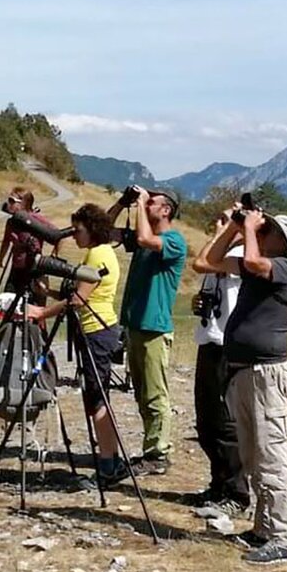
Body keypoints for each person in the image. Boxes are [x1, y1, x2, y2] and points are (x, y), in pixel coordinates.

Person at [205, 205, 287, 566]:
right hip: (245, 371)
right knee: (253, 455)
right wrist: (235, 228)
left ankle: (284, 537)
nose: (263, 234)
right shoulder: (259, 269)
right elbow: (211, 259)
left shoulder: (286, 269)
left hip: (266, 375)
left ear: (286, 242)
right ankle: (264, 528)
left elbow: (250, 262)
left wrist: (248, 226)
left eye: (270, 231)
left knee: (272, 456)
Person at [25, 204, 128, 487]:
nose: (74, 236)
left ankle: (108, 465)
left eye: (78, 230)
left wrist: (41, 312)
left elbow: (79, 300)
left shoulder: (97, 254)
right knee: (96, 397)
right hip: (97, 328)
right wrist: (50, 292)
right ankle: (111, 460)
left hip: (96, 330)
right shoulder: (101, 252)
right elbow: (83, 294)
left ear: (92, 229)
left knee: (97, 399)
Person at [108, 186, 186, 476]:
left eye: (152, 202)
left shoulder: (174, 240)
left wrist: (139, 204)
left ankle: (159, 453)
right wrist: (122, 201)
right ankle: (151, 448)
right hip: (136, 326)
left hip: (154, 328)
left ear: (166, 210)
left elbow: (144, 238)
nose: (146, 204)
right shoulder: (146, 239)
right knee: (142, 394)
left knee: (155, 394)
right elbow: (103, 232)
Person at [188, 212, 248, 515]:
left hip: (228, 344)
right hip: (209, 338)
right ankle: (218, 483)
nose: (219, 222)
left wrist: (228, 230)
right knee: (206, 421)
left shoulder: (240, 253)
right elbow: (206, 279)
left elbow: (201, 261)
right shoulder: (219, 254)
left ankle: (237, 492)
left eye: (228, 219)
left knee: (227, 423)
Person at [0, 186, 51, 294]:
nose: (9, 204)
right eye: (9, 200)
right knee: (8, 298)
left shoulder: (36, 220)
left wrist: (54, 255)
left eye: (12, 201)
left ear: (24, 203)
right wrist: (0, 260)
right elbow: (6, 242)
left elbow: (57, 235)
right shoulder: (11, 222)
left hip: (33, 269)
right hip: (16, 268)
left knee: (29, 303)